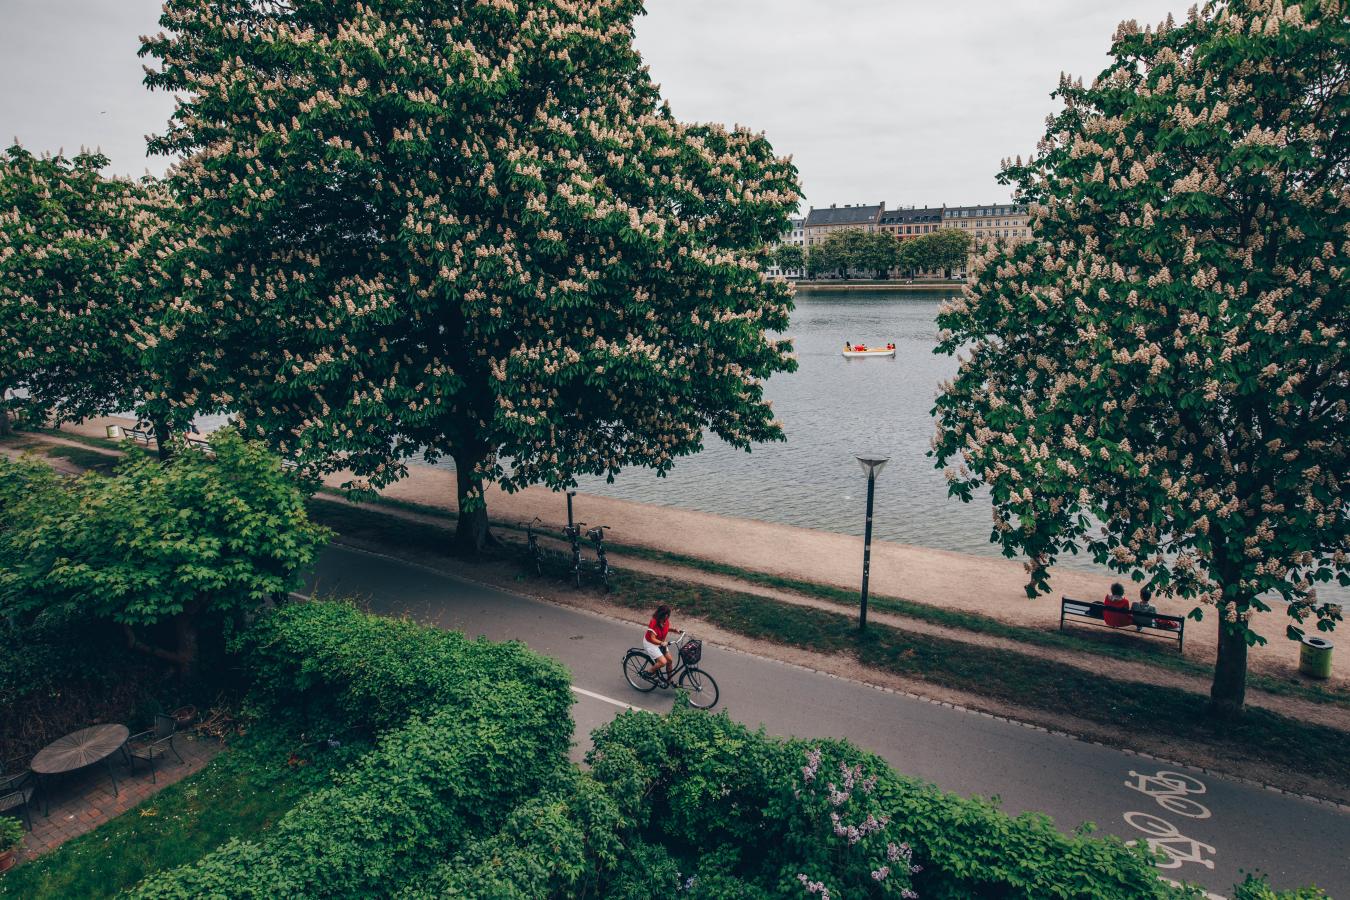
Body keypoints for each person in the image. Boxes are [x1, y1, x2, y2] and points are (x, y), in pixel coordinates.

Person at [643, 604, 676, 683]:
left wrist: (674, 630)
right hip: (651, 643)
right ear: (661, 614)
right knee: (663, 662)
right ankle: (648, 672)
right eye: (665, 615)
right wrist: (661, 643)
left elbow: (666, 628)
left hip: (661, 643)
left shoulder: (665, 621)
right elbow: (652, 638)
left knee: (670, 661)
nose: (667, 617)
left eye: (668, 615)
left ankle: (669, 680)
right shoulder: (654, 622)